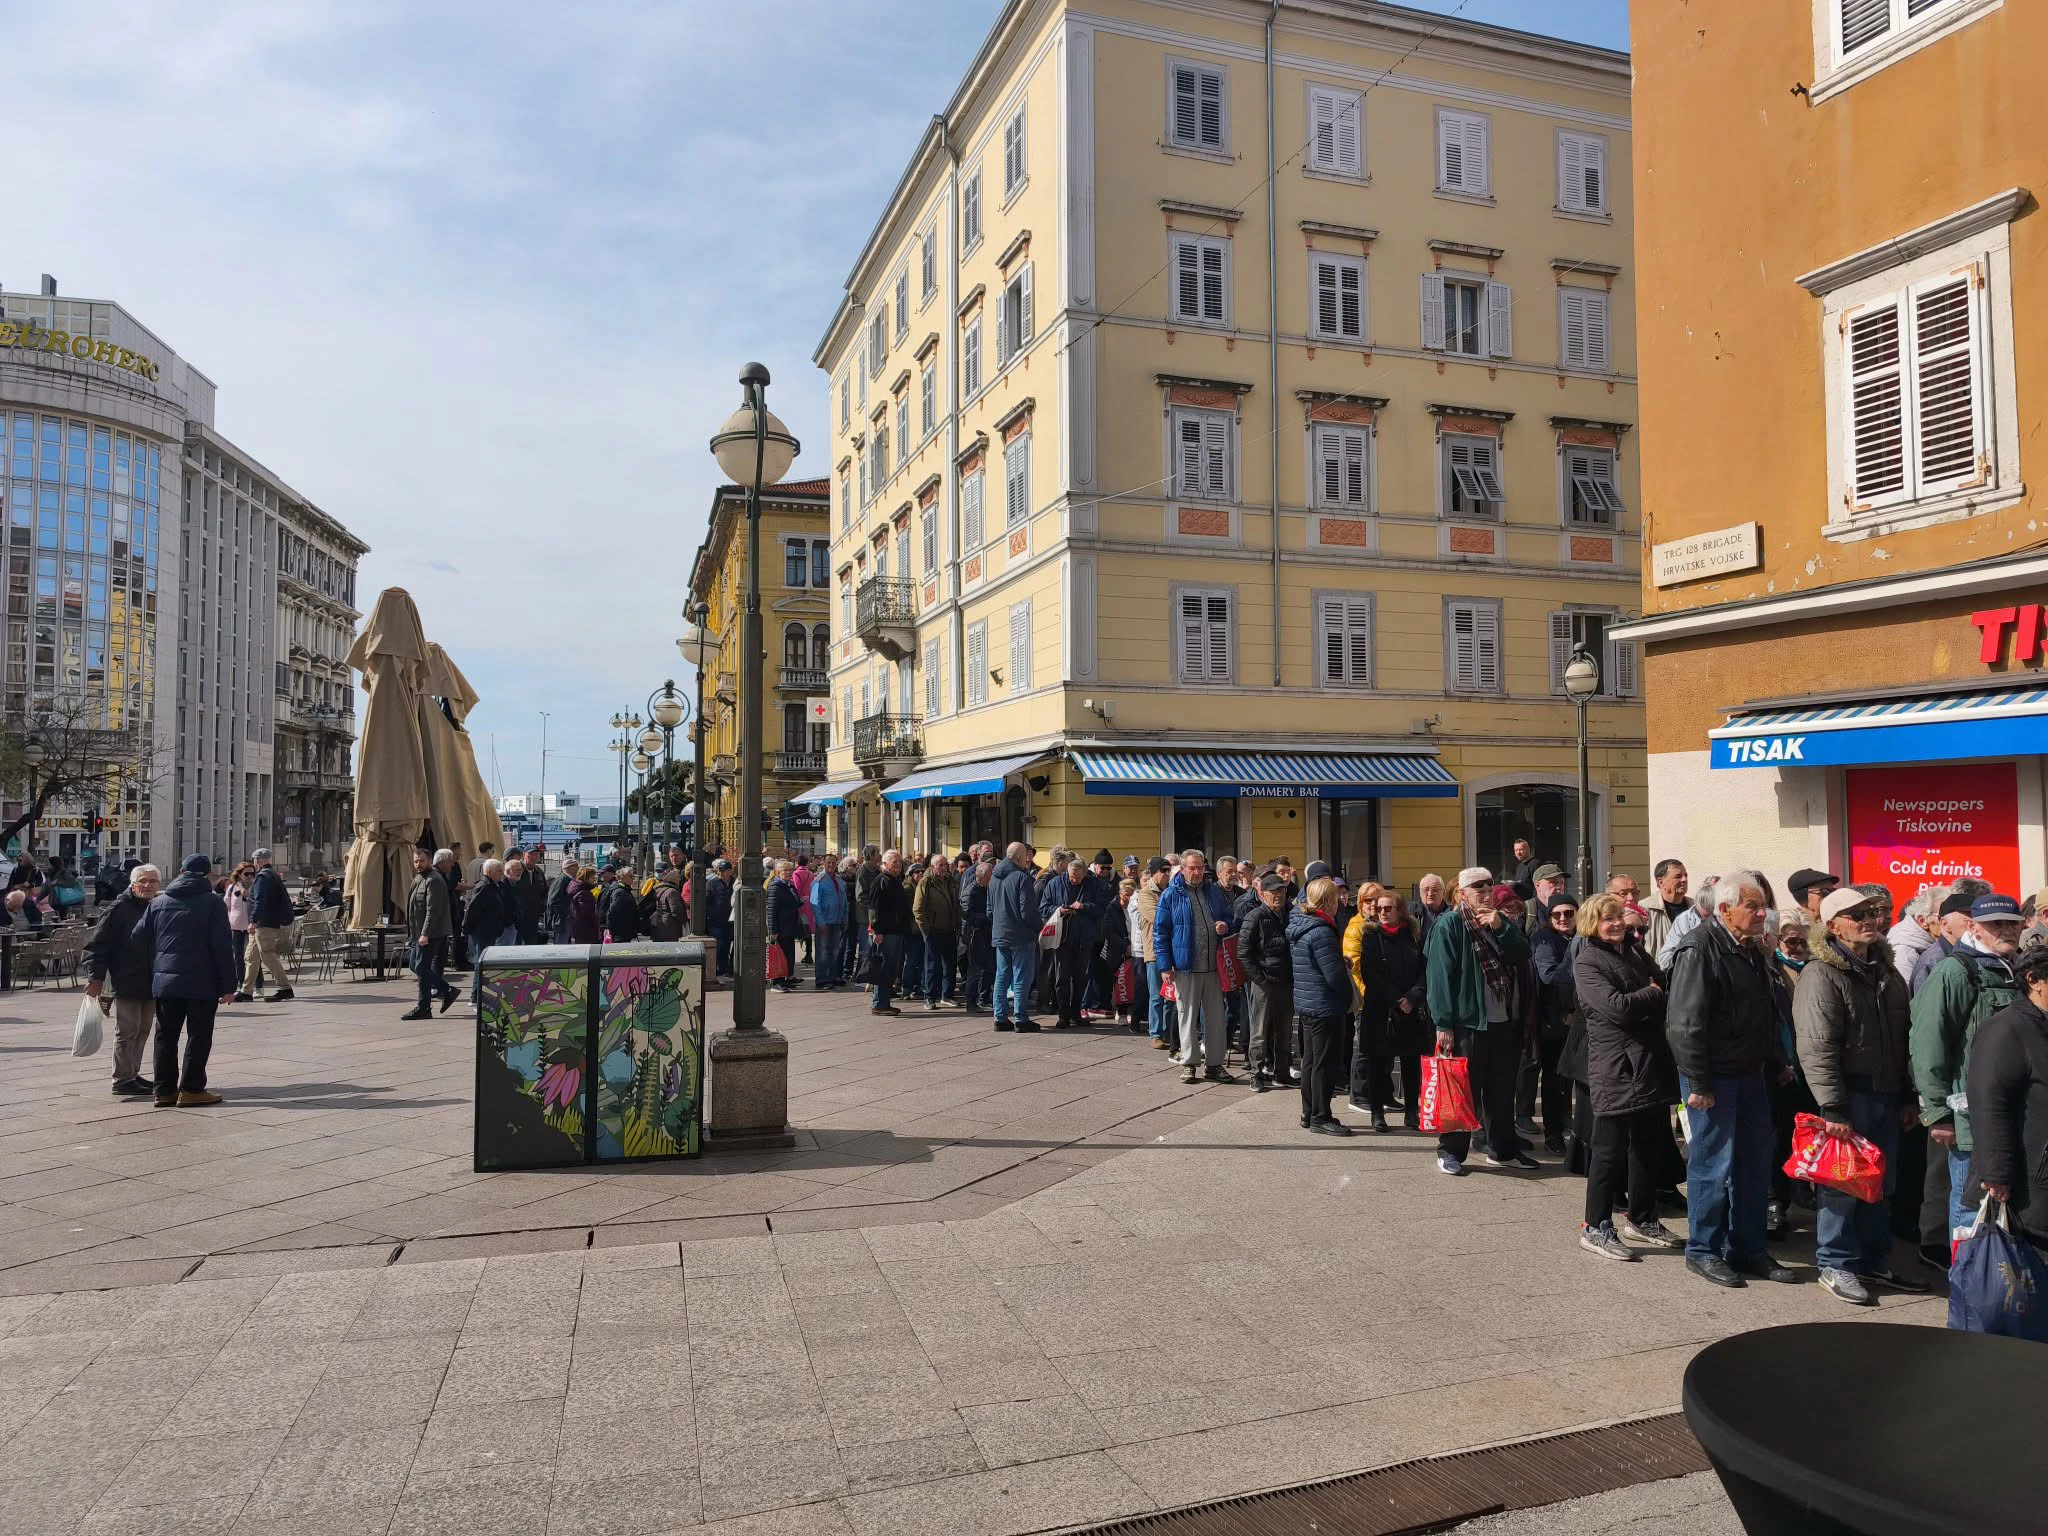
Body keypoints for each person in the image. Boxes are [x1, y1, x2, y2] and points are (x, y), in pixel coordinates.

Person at [1666, 870, 1799, 1289]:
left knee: (1753, 1164)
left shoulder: (1752, 949)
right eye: (1752, 906)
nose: (1762, 914)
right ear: (1725, 910)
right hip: (1714, 1079)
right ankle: (1703, 1250)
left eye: (1763, 906)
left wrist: (1777, 1060)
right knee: (1711, 1165)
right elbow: (1685, 1024)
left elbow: (1765, 1012)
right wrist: (1700, 1083)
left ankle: (1748, 1249)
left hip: (1750, 1074)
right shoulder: (1700, 949)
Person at [1794, 886, 1923, 1306]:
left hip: (1886, 1093)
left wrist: (1907, 1094)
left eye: (1872, 912)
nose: (1869, 920)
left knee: (1880, 1185)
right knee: (1841, 1183)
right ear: (1833, 927)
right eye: (1856, 915)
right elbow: (1817, 1045)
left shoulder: (1886, 971)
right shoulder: (1821, 973)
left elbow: (1904, 1038)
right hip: (1849, 1096)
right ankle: (1836, 1263)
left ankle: (1872, 1259)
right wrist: (1833, 1105)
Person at [1910, 892, 2024, 1253]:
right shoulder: (1956, 971)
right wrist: (1938, 1113)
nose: (2006, 930)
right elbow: (1928, 1043)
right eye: (1995, 924)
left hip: (2017, 1111)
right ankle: (1969, 1296)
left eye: (2012, 923)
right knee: (1970, 1209)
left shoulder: (2020, 968)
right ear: (1973, 926)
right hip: (1969, 1116)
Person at [1572, 894, 1683, 1261]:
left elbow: (1663, 982)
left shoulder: (1633, 952)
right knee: (1608, 1152)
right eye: (1608, 919)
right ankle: (1595, 1226)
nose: (1617, 923)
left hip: (1648, 1062)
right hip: (1615, 1067)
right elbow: (1616, 1008)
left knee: (1648, 1147)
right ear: (1592, 923)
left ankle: (1642, 1217)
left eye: (1619, 916)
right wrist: (1651, 993)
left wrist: (1653, 992)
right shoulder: (1588, 960)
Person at [1423, 868, 1535, 1176]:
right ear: (1461, 894)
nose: (1485, 891)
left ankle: (1502, 1150)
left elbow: (1522, 953)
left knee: (1501, 1090)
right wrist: (1443, 1024)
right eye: (1477, 887)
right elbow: (1439, 978)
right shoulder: (1450, 925)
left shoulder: (1498, 921)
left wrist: (1501, 926)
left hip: (1502, 1021)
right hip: (1467, 1023)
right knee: (1462, 1090)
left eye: (1489, 886)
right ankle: (1451, 1152)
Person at [130, 855, 238, 1108]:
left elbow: (138, 937)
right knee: (198, 1036)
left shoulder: (160, 901)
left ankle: (164, 1091)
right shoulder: (212, 902)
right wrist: (229, 986)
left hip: (166, 981)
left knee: (165, 1037)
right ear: (208, 874)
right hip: (203, 981)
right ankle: (191, 1089)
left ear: (180, 871)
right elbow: (223, 946)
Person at [1965, 946, 2048, 1248]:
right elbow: (1989, 1106)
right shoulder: (2006, 1030)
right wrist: (1996, 1173)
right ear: (2034, 980)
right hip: (2031, 1178)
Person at [1155, 849, 1235, 1085]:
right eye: (1193, 867)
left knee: (1216, 1019)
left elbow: (1229, 919)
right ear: (1183, 868)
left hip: (1213, 967)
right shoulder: (1171, 894)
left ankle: (1214, 1064)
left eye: (1200, 867)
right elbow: (1161, 932)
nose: (1198, 872)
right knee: (1187, 1016)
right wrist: (1165, 964)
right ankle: (1189, 1063)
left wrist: (1224, 926)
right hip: (1185, 967)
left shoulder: (1213, 892)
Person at [1353, 889, 1428, 1133]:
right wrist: (1397, 998)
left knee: (1411, 1065)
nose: (1382, 913)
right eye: (1379, 909)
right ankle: (1377, 1112)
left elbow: (1424, 970)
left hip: (1410, 1010)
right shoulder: (1371, 936)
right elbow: (1369, 973)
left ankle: (1411, 1111)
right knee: (1377, 1063)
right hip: (1381, 1010)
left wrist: (1413, 997)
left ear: (1400, 910)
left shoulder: (1415, 935)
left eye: (1388, 908)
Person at [85, 863, 161, 1096]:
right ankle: (121, 1079)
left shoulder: (156, 905)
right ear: (133, 884)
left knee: (143, 1029)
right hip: (126, 979)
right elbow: (98, 945)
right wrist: (95, 978)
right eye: (143, 881)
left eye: (152, 882)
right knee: (127, 1030)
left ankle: (132, 1073)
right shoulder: (118, 908)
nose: (147, 886)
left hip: (151, 980)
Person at [1287, 876, 1352, 1135]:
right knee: (1323, 1063)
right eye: (1336, 898)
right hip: (1324, 1004)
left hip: (1307, 1001)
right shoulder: (1322, 929)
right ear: (1328, 901)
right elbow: (1333, 976)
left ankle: (1309, 1111)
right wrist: (1348, 995)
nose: (1340, 903)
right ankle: (1321, 1115)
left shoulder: (1301, 924)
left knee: (1311, 1062)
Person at [1526, 894, 1579, 1154]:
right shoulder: (1545, 939)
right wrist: (1574, 951)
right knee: (1553, 1080)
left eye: (1568, 913)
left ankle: (1571, 1129)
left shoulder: (1582, 936)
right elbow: (1549, 977)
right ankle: (1553, 1134)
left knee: (1572, 1080)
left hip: (1579, 1019)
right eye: (1556, 914)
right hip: (1552, 1021)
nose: (1563, 919)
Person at [1238, 872, 1293, 1093]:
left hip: (1286, 981)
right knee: (1260, 1030)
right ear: (1263, 894)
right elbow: (1243, 953)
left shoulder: (1291, 913)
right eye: (1273, 892)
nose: (1278, 895)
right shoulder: (1255, 917)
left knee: (1285, 1030)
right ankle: (1256, 1072)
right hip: (1264, 982)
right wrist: (1260, 979)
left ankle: (1282, 1072)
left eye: (1281, 890)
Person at [1046, 854, 1108, 1029]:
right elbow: (1043, 907)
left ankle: (1076, 1013)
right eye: (1072, 877)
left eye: (1078, 878)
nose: (1074, 881)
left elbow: (1102, 908)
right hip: (1062, 938)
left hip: (1084, 938)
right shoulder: (1055, 884)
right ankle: (1063, 1015)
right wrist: (1059, 910)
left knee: (1081, 978)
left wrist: (1084, 907)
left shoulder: (1093, 885)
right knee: (1062, 978)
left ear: (1084, 874)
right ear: (1067, 872)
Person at [402, 847, 459, 1020]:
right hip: (418, 933)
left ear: (429, 861)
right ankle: (447, 990)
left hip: (430, 934)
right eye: (415, 861)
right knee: (416, 966)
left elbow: (432, 910)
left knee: (422, 969)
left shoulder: (434, 880)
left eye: (422, 861)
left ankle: (424, 1007)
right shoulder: (419, 878)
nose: (418, 864)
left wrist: (425, 934)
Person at [990, 842, 1040, 1033]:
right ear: (1018, 857)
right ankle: (1021, 1018)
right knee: (1021, 976)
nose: (1028, 859)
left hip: (1000, 933)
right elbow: (1027, 912)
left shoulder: (994, 876)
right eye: (1025, 856)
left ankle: (1000, 1018)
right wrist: (1040, 927)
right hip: (1020, 935)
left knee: (1002, 976)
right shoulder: (1022, 877)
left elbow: (989, 909)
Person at [235, 848, 295, 1003]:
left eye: (254, 860)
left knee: (267, 955)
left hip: (264, 924)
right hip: (263, 923)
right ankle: (246, 991)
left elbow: (260, 901)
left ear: (259, 860)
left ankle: (285, 988)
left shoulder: (264, 877)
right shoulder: (271, 875)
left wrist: (253, 921)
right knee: (250, 957)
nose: (254, 863)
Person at [1134, 855, 1174, 1050]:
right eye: (1163, 871)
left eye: (1169, 871)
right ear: (1154, 873)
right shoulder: (1146, 894)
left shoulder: (1171, 891)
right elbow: (1158, 917)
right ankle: (1156, 1033)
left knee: (1169, 996)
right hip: (1154, 952)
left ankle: (1166, 1032)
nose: (1167, 875)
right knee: (1157, 996)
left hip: (1172, 950)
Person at [912, 854, 961, 1010]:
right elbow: (918, 909)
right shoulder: (925, 883)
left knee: (950, 965)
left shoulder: (951, 882)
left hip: (949, 930)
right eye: (940, 865)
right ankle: (929, 997)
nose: (943, 868)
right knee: (932, 966)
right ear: (932, 867)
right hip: (933, 931)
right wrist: (926, 930)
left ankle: (947, 995)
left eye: (945, 865)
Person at [867, 849, 912, 1016]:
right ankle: (879, 1003)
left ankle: (884, 1002)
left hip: (896, 930)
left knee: (891, 967)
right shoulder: (881, 881)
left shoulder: (894, 880)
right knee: (884, 967)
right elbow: (873, 908)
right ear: (885, 864)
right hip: (886, 932)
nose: (898, 866)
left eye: (899, 862)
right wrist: (877, 930)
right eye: (895, 863)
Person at [465, 859, 520, 963]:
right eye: (499, 870)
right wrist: (466, 928)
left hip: (491, 930)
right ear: (490, 872)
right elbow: (472, 909)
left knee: (488, 962)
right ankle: (478, 980)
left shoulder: (495, 886)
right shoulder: (484, 887)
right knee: (482, 961)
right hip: (483, 931)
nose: (501, 873)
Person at [961, 856, 995, 1014]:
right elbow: (967, 914)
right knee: (974, 970)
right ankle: (971, 1001)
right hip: (975, 935)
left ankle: (984, 997)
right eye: (990, 875)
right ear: (983, 876)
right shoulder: (971, 890)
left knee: (989, 967)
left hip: (986, 933)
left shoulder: (987, 889)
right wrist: (988, 916)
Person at [1642, 859, 1690, 962]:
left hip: (1689, 972)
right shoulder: (1645, 908)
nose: (1684, 879)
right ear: (1660, 882)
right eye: (1678, 877)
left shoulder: (1694, 908)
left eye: (1685, 875)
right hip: (1659, 974)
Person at [808, 857, 846, 989]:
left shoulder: (840, 880)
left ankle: (832, 976)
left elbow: (844, 901)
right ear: (823, 864)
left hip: (837, 921)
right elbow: (815, 903)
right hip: (825, 922)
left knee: (835, 950)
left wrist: (845, 918)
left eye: (833, 863)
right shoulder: (820, 880)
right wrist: (821, 922)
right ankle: (822, 979)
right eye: (828, 863)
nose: (831, 865)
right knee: (823, 951)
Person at [767, 859, 802, 992]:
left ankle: (786, 979)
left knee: (788, 955)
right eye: (785, 870)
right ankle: (777, 982)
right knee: (778, 956)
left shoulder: (789, 885)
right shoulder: (775, 886)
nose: (788, 872)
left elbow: (793, 902)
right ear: (777, 872)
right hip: (780, 928)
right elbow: (772, 910)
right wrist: (773, 930)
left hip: (789, 926)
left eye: (790, 870)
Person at [223, 862, 253, 995]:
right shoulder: (231, 887)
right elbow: (227, 905)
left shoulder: (255, 887)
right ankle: (240, 983)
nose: (249, 876)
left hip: (251, 925)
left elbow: (256, 902)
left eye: (253, 873)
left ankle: (257, 985)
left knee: (252, 957)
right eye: (246, 873)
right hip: (235, 925)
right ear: (239, 874)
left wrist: (247, 894)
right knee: (238, 956)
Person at [511, 848, 549, 943]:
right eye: (530, 855)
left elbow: (545, 891)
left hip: (533, 915)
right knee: (516, 943)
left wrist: (541, 907)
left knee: (531, 942)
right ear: (524, 855)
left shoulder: (539, 872)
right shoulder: (515, 868)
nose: (533, 857)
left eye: (536, 855)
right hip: (517, 916)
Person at [705, 858, 734, 979]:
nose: (720, 873)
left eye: (723, 871)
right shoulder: (712, 883)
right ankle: (720, 969)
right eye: (719, 871)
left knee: (727, 945)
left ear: (730, 871)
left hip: (730, 920)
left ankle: (725, 968)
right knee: (720, 945)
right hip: (716, 920)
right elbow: (707, 899)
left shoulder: (735, 882)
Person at [646, 866, 687, 942]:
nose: (679, 880)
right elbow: (676, 911)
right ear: (674, 879)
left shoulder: (659, 889)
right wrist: (684, 920)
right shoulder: (672, 891)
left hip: (659, 923)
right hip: (670, 927)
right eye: (678, 878)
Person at [601, 865, 641, 943]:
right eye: (630, 876)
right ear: (622, 877)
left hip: (625, 931)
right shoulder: (620, 892)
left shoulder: (625, 890)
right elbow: (612, 913)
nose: (633, 878)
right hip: (620, 933)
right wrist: (611, 930)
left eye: (633, 876)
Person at [545, 858, 582, 943]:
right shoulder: (561, 880)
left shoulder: (569, 880)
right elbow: (553, 900)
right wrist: (565, 913)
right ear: (567, 868)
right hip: (561, 919)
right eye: (575, 866)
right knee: (561, 943)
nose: (578, 868)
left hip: (566, 917)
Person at [567, 866, 602, 944]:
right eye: (592, 877)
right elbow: (586, 913)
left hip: (578, 928)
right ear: (586, 878)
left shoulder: (578, 889)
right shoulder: (584, 893)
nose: (594, 879)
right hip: (586, 929)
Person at [1414, 873, 1450, 941]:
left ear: (1443, 892)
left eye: (1435, 890)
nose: (1430, 894)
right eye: (1426, 890)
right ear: (1420, 892)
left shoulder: (1451, 913)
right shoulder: (1411, 912)